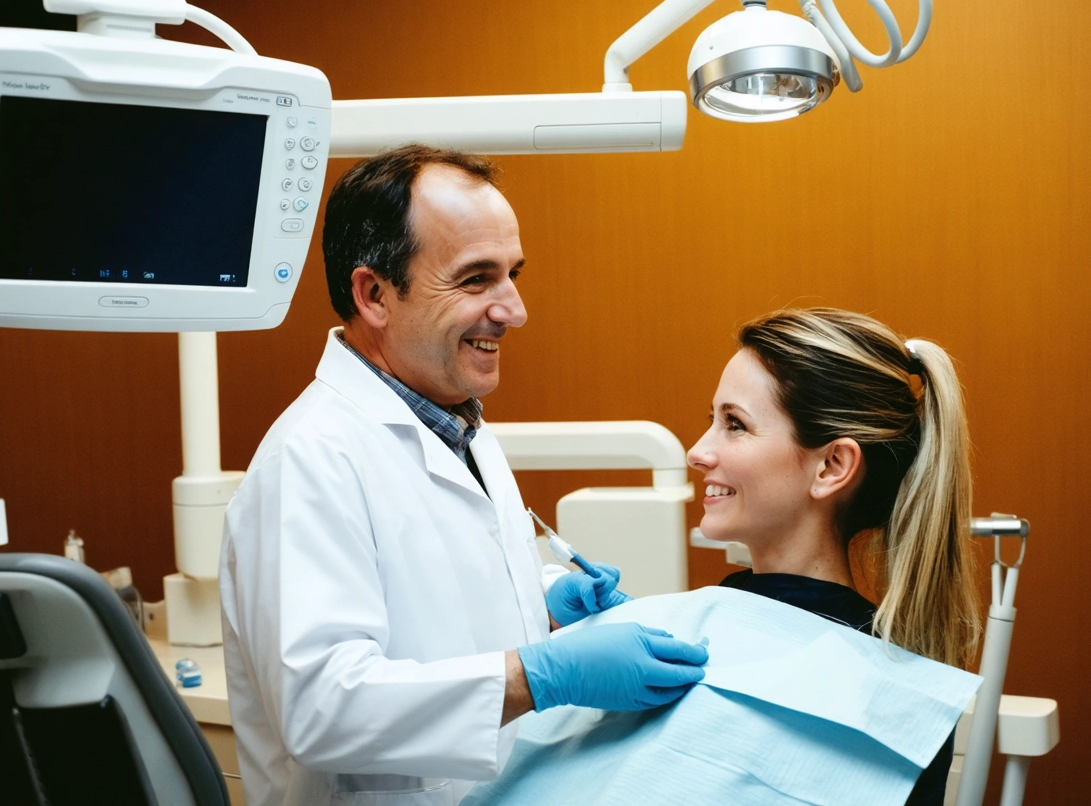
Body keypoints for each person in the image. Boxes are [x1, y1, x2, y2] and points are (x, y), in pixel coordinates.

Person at [218, 145, 707, 806]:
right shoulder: (309, 462)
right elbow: (321, 708)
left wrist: (542, 602)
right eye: (477, 279)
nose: (513, 309)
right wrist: (541, 676)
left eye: (512, 274)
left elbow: (426, 593)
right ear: (374, 294)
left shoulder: (454, 422)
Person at [686, 308, 980, 805]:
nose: (697, 451)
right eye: (711, 420)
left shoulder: (878, 692)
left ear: (832, 466)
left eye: (734, 424)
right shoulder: (718, 624)